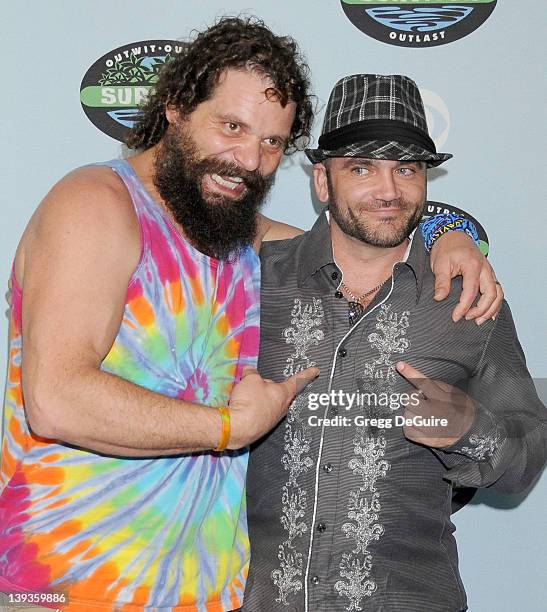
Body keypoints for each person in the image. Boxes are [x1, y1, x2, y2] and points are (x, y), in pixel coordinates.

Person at [0, 18, 500, 612]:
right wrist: (229, 430)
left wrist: (447, 238)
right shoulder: (97, 205)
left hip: (208, 590)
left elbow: (363, 246)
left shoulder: (230, 225)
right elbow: (57, 400)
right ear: (177, 108)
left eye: (271, 143)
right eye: (232, 127)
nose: (248, 160)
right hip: (74, 582)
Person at [243, 74, 547, 612]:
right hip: (257, 597)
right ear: (322, 181)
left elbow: (526, 457)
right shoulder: (255, 283)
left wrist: (469, 430)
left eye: (406, 168)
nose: (388, 190)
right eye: (361, 168)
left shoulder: (467, 300)